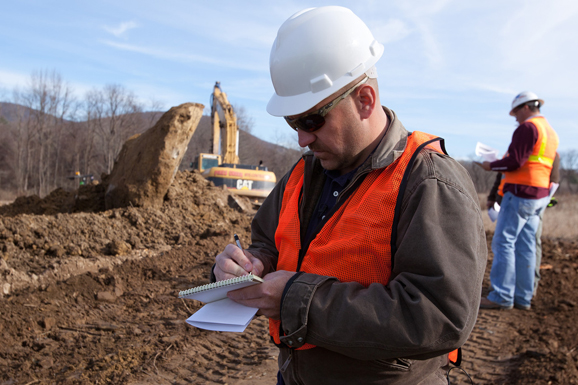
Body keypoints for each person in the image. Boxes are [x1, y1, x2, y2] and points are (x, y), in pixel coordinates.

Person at [212, 6, 486, 384]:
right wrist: (250, 263)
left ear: (365, 100)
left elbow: (438, 315)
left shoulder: (428, 182)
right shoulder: (302, 173)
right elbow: (268, 242)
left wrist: (295, 299)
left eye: (311, 121)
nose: (301, 138)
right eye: (293, 122)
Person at [479, 91, 559, 311]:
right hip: (539, 196)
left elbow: (515, 162)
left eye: (515, 112)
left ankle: (502, 295)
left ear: (525, 108)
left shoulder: (528, 128)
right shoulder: (549, 131)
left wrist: (491, 166)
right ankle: (523, 297)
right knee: (526, 245)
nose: (515, 117)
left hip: (521, 193)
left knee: (503, 242)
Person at [486, 152, 560, 295]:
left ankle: (523, 288)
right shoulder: (514, 151)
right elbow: (501, 175)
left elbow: (553, 180)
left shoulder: (547, 152)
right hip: (509, 200)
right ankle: (511, 288)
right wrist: (492, 196)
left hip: (529, 200)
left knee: (522, 244)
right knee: (512, 245)